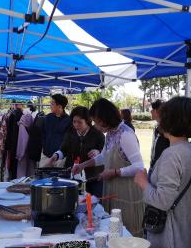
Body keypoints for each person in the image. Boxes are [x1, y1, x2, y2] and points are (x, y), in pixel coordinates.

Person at [134, 97, 191, 248]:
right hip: (184, 230)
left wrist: (143, 182)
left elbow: (163, 200)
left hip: (169, 236)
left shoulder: (172, 155)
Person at [72, 99, 145, 236]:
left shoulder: (126, 134)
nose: (95, 125)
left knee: (126, 232)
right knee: (113, 231)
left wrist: (115, 172)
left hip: (127, 192)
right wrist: (83, 165)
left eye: (96, 121)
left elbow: (139, 167)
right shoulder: (111, 134)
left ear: (104, 118)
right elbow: (103, 157)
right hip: (113, 188)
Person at [48, 106, 105, 196]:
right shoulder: (71, 132)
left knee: (94, 204)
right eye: (74, 121)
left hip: (93, 178)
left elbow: (105, 152)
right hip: (73, 176)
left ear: (87, 121)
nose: (76, 125)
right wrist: (56, 156)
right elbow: (64, 149)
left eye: (80, 122)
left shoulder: (98, 134)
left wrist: (98, 152)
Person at [40, 94, 71, 168]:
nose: (50, 105)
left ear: (60, 106)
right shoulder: (47, 118)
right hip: (46, 156)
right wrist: (44, 146)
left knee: (60, 179)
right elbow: (43, 134)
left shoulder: (69, 121)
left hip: (60, 159)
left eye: (52, 103)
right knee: (43, 178)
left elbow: (68, 140)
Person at [149, 99, 170, 170]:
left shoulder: (169, 129)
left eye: (151, 109)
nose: (150, 111)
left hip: (162, 169)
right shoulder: (157, 127)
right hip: (153, 167)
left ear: (155, 111)